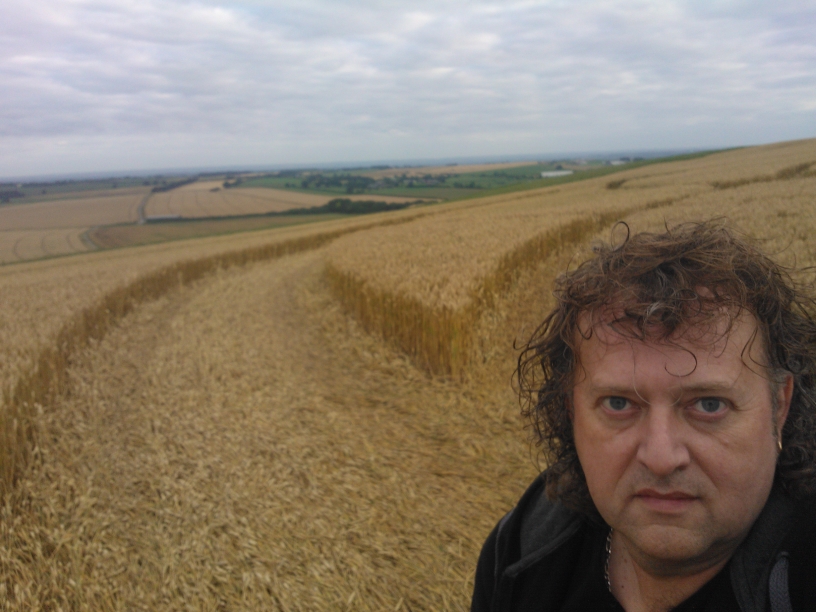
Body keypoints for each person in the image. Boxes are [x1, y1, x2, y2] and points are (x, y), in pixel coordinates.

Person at [471, 221, 816, 612]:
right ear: (572, 414)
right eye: (619, 404)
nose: (661, 458)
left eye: (708, 405)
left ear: (779, 407)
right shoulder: (522, 548)